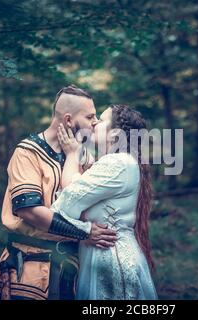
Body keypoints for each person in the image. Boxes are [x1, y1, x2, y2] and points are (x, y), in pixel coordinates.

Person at [0, 85, 117, 300]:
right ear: (68, 120)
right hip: (30, 268)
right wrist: (85, 232)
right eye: (90, 116)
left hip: (72, 268)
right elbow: (29, 211)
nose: (95, 122)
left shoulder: (83, 155)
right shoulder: (27, 153)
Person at [51, 104, 158, 300]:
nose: (94, 123)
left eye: (100, 120)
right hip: (108, 253)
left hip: (110, 258)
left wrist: (72, 154)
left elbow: (68, 200)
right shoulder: (121, 161)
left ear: (114, 134)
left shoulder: (116, 162)